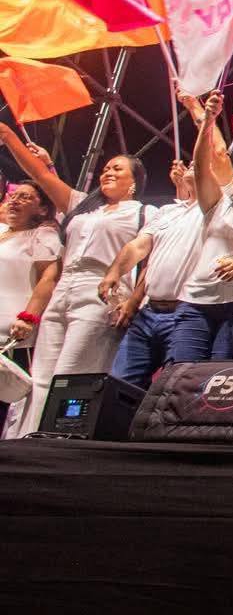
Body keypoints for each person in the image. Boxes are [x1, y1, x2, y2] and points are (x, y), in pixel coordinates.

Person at [0, 125, 149, 434]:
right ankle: (23, 441)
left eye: (117, 169)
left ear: (134, 182)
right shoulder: (82, 206)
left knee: (70, 374)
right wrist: (8, 137)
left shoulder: (145, 212)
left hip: (100, 292)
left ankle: (55, 442)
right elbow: (42, 177)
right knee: (39, 377)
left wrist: (134, 299)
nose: (107, 172)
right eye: (106, 168)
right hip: (64, 287)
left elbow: (153, 258)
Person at [171, 90, 233, 363]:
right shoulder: (220, 204)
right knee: (180, 377)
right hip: (194, 304)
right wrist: (208, 121)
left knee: (217, 381)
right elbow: (203, 166)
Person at [101, 158, 201, 388]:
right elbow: (141, 247)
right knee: (119, 385)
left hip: (186, 313)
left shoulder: (217, 208)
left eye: (199, 163)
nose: (191, 166)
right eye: (192, 163)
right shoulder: (168, 211)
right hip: (149, 312)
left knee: (172, 389)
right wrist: (115, 272)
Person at [0, 182, 62, 438]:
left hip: (12, 336)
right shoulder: (2, 230)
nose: (15, 200)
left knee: (4, 402)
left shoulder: (42, 235)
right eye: (13, 195)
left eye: (25, 197)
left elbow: (48, 277)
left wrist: (28, 317)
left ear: (42, 208)